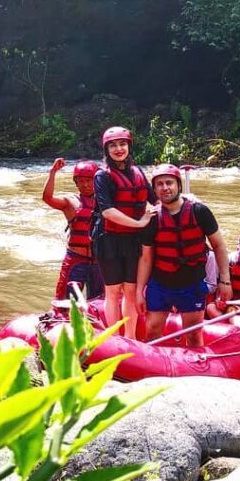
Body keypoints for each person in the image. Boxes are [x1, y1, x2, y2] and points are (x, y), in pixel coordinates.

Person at [136, 163, 232, 347]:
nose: (165, 188)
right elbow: (146, 258)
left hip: (192, 284)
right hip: (160, 284)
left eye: (169, 183)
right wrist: (140, 291)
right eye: (160, 184)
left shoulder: (199, 211)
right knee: (152, 331)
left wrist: (225, 281)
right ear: (154, 189)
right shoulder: (153, 219)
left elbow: (219, 246)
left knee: (194, 336)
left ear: (178, 185)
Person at [91, 126, 156, 340]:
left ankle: (130, 338)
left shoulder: (138, 173)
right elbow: (107, 211)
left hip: (131, 240)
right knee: (113, 291)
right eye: (113, 145)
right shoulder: (102, 176)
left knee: (130, 290)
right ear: (106, 149)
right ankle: (114, 338)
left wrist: (185, 202)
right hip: (108, 239)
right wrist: (139, 224)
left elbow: (155, 200)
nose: (119, 149)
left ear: (129, 146)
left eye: (122, 144)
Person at [42, 158, 105, 300]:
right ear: (76, 183)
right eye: (81, 181)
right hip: (76, 261)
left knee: (99, 302)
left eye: (89, 180)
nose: (85, 185)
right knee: (65, 302)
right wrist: (53, 172)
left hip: (99, 262)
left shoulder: (105, 203)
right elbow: (47, 198)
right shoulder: (71, 202)